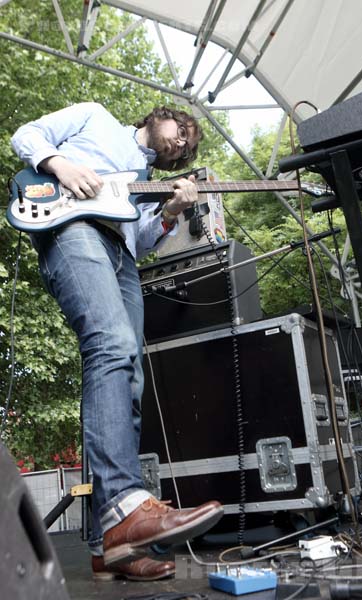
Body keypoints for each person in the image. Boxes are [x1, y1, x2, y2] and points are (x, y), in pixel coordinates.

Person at [11, 102, 223, 582]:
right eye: (182, 130)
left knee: (129, 373)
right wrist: (61, 164)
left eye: (187, 147)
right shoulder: (95, 116)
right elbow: (27, 132)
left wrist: (170, 211)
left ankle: (110, 546)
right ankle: (128, 506)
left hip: (122, 255)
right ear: (159, 115)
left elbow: (144, 238)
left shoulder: (149, 179)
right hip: (73, 228)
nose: (181, 142)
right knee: (109, 343)